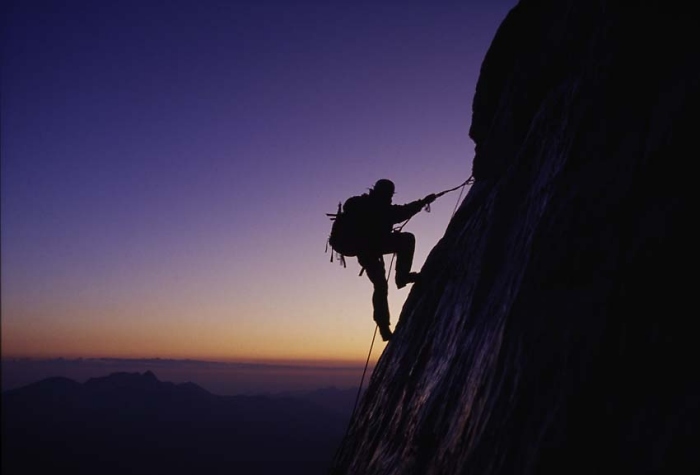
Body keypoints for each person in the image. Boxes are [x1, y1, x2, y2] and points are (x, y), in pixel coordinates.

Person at [346, 179, 436, 341]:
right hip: (372, 247)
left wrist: (422, 202)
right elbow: (401, 212)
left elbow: (398, 212)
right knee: (407, 240)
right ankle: (402, 277)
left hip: (365, 251)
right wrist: (423, 202)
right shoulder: (381, 207)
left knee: (380, 286)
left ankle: (383, 328)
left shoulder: (363, 204)